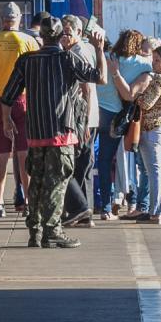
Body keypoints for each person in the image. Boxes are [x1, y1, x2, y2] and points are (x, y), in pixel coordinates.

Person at [0, 13, 108, 249]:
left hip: (35, 132)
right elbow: (100, 78)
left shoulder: (26, 61)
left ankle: (35, 231)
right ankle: (53, 230)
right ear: (61, 35)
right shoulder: (67, 59)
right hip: (61, 132)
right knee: (57, 183)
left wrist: (7, 121)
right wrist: (99, 50)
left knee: (37, 182)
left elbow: (7, 96)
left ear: (41, 36)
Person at [0, 4, 39, 217]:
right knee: (24, 154)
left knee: (0, 155)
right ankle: (28, 202)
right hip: (22, 100)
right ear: (19, 19)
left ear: (1, 19)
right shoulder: (29, 41)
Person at [123, 43, 161, 225]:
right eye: (153, 60)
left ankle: (156, 212)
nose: (153, 63)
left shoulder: (159, 80)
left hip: (153, 130)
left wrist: (139, 96)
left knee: (154, 173)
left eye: (157, 60)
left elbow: (145, 104)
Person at [98, 29, 152, 218]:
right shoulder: (143, 64)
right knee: (133, 162)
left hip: (100, 112)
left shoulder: (106, 57)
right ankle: (134, 201)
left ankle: (104, 206)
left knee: (103, 161)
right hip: (123, 116)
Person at [59, 15, 99, 227]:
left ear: (79, 34)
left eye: (68, 33)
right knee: (80, 167)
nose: (64, 37)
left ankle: (82, 211)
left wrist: (84, 124)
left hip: (83, 121)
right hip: (82, 120)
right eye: (62, 33)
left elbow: (87, 91)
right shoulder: (72, 52)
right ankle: (82, 212)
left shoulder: (78, 53)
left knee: (78, 167)